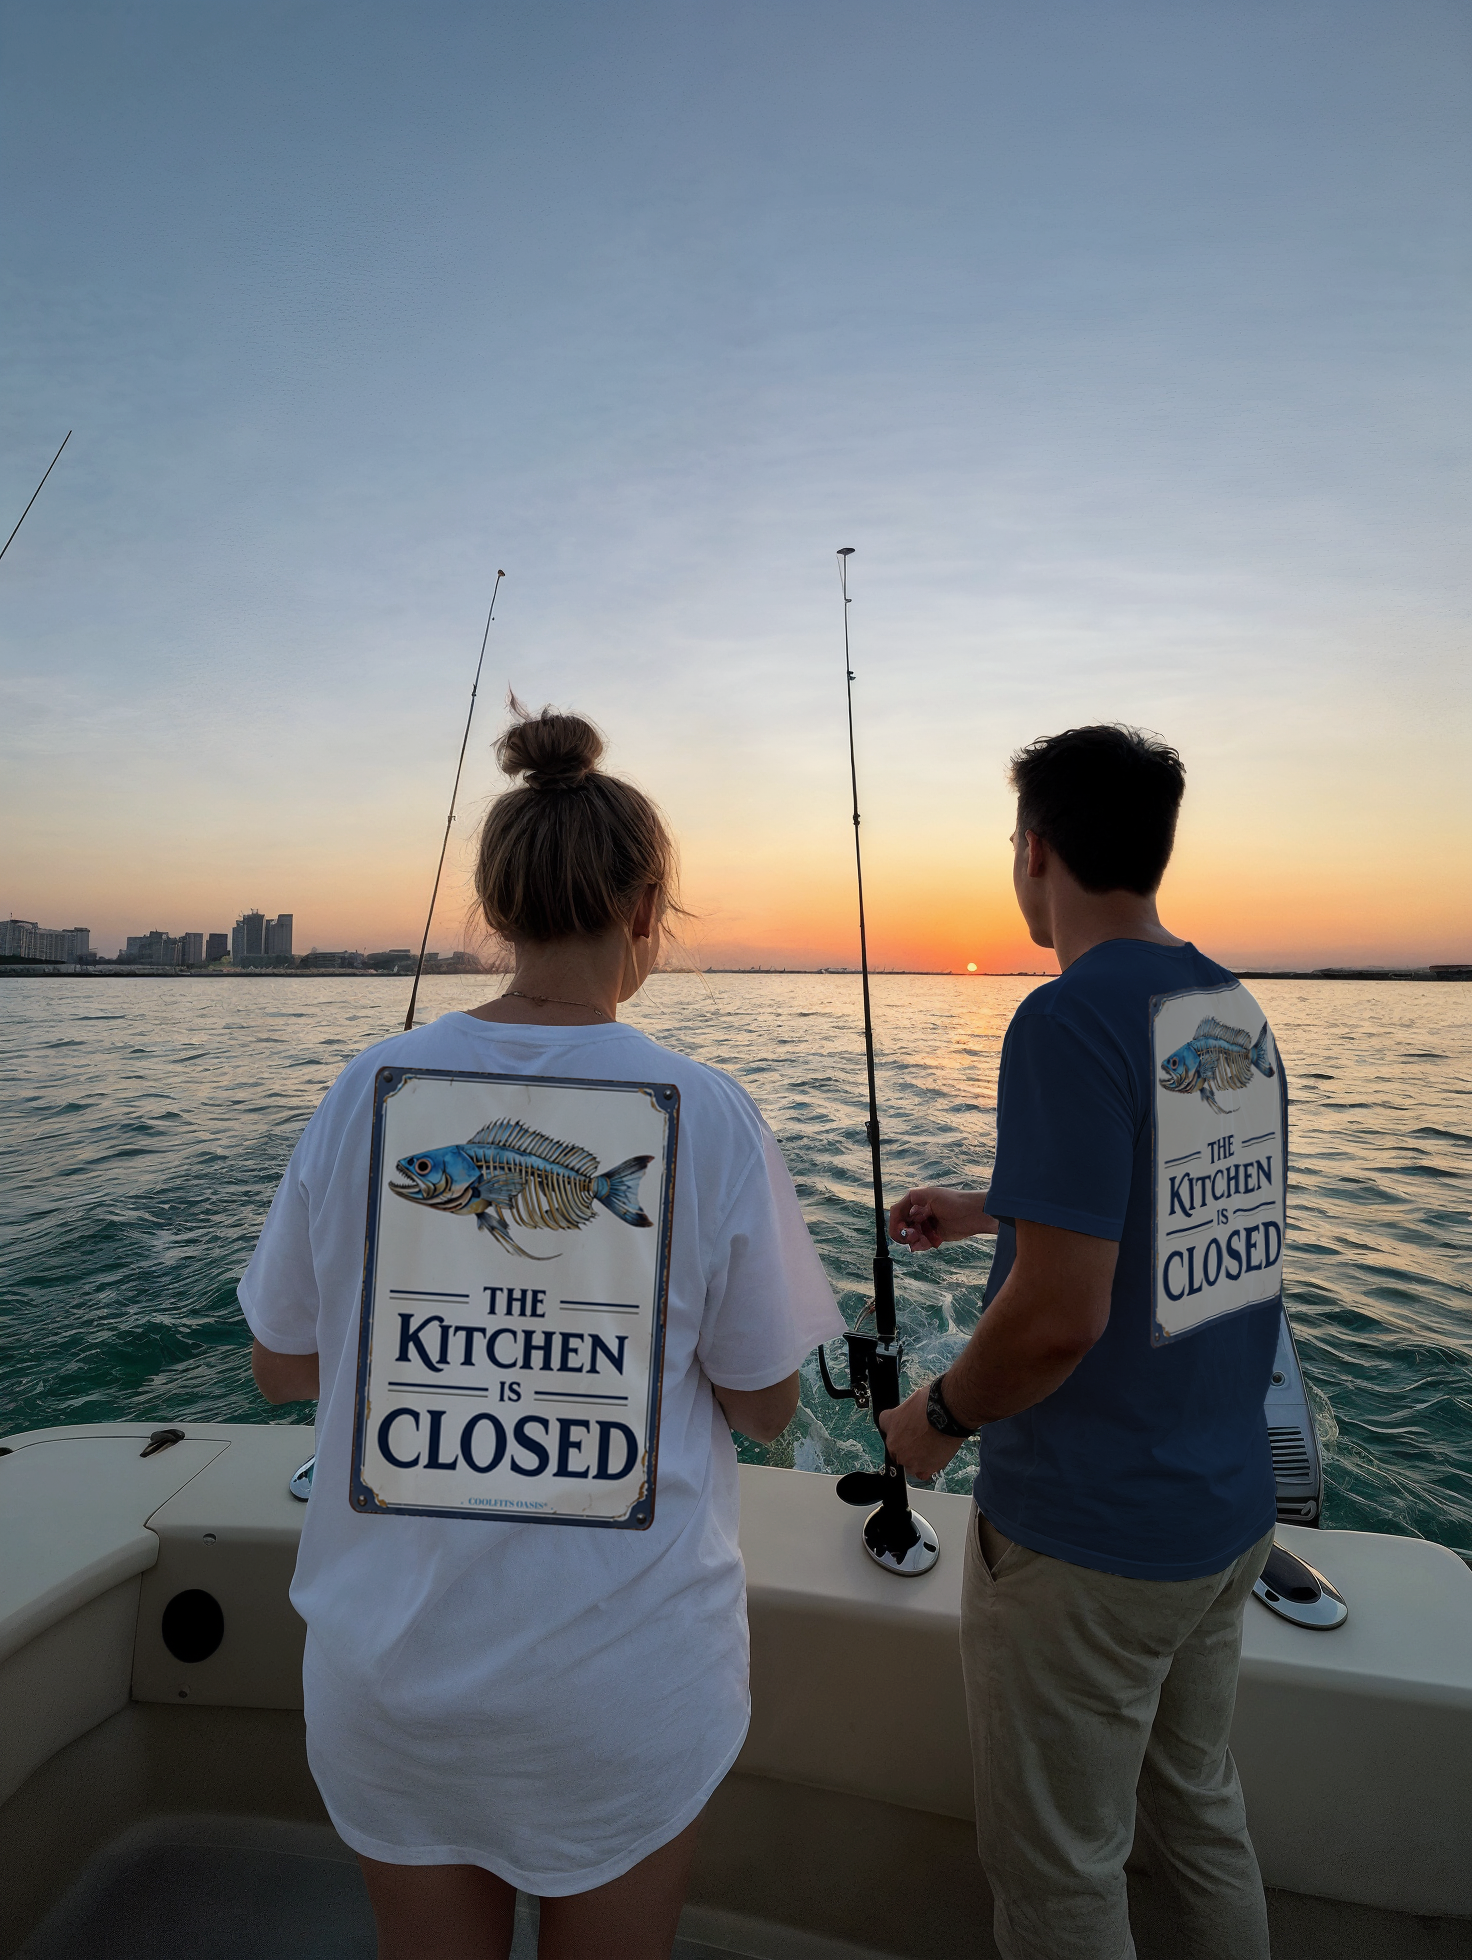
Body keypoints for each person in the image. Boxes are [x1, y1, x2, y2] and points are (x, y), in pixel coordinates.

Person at [241, 704, 842, 1960]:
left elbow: (281, 1364)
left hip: (388, 1691)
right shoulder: (712, 1114)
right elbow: (767, 1404)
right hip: (622, 1693)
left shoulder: (365, 1089)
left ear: (495, 909)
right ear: (644, 913)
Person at [880, 724, 1282, 1960]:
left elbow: (1058, 1320)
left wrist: (934, 1419)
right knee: (1198, 1812)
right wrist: (988, 1200)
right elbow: (1166, 1190)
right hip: (1222, 1516)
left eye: (1015, 840)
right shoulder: (1227, 1011)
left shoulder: (1064, 1019)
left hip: (1087, 1540)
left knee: (1059, 1872)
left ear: (1036, 851)